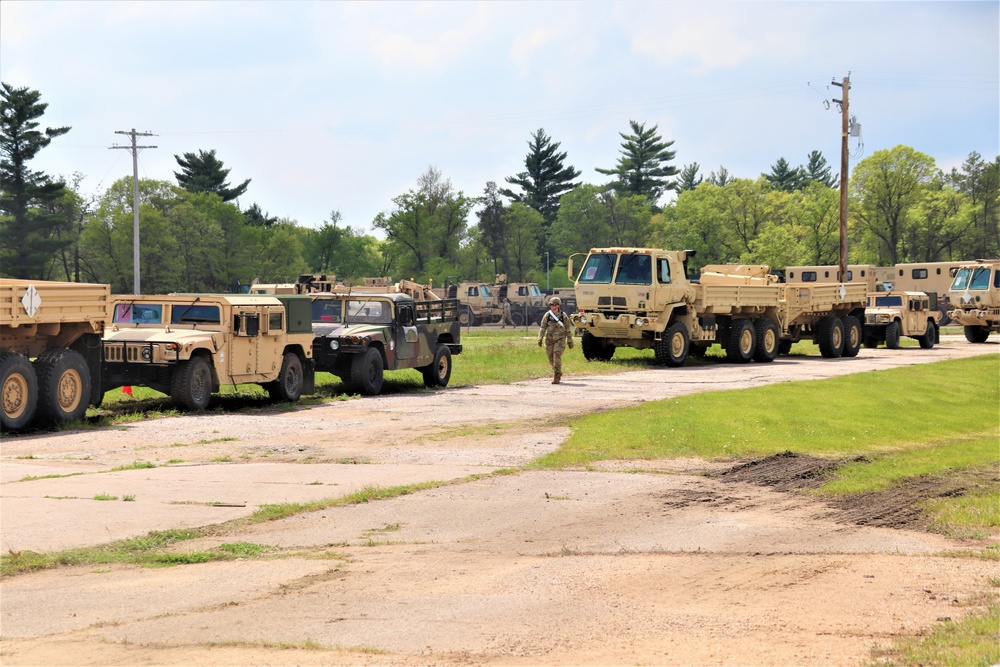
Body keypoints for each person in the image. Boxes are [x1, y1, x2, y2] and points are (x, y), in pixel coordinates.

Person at [537, 296, 574, 384]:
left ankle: (556, 376)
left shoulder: (563, 316)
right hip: (549, 340)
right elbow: (543, 327)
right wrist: (540, 338)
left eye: (555, 305)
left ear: (559, 305)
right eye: (552, 305)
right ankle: (558, 371)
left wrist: (570, 341)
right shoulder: (547, 315)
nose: (553, 307)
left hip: (560, 340)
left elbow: (568, 329)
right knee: (550, 358)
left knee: (556, 356)